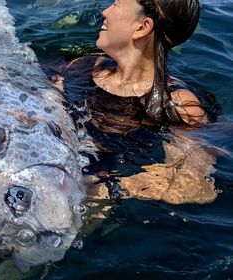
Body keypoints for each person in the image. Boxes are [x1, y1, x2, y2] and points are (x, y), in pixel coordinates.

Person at [47, 0, 218, 206]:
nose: (105, 11)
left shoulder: (178, 104)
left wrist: (98, 188)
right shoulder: (78, 66)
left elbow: (193, 186)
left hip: (87, 201)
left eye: (116, 4)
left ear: (142, 27)